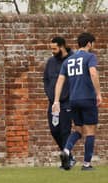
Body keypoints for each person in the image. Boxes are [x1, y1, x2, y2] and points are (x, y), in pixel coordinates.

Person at [52, 33, 102, 171]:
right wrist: (98, 93)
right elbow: (93, 73)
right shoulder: (90, 57)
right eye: (93, 43)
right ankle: (86, 164)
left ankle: (67, 151)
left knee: (78, 130)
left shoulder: (68, 60)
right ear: (89, 44)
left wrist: (56, 101)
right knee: (90, 131)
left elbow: (60, 81)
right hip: (87, 98)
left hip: (73, 100)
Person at [43, 37, 76, 169]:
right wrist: (50, 94)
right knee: (54, 130)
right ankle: (70, 156)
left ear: (62, 46)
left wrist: (68, 94)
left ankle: (67, 160)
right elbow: (45, 79)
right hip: (53, 102)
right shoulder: (50, 62)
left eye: (54, 48)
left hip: (67, 102)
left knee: (65, 131)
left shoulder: (72, 59)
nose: (52, 51)